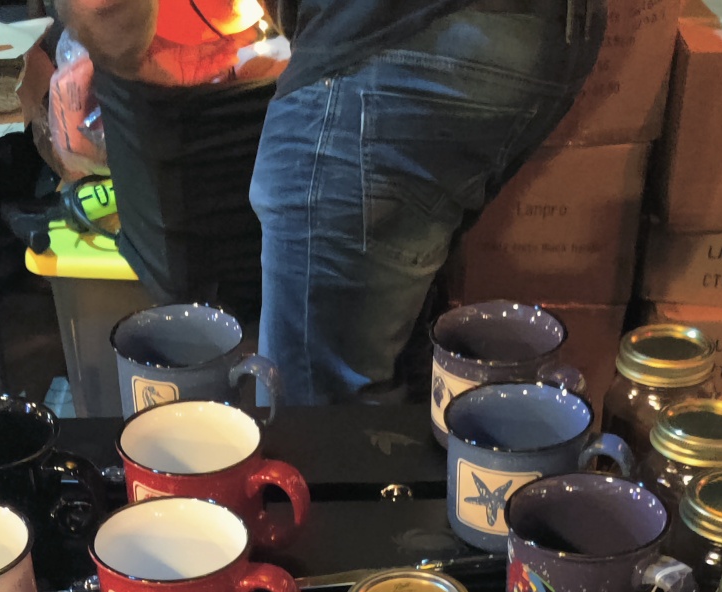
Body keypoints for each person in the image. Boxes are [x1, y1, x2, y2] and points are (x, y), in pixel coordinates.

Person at [58, 0, 606, 404]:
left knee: (314, 409)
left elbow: (103, 6)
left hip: (409, 37)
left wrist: (105, 58)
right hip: (546, 31)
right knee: (390, 352)